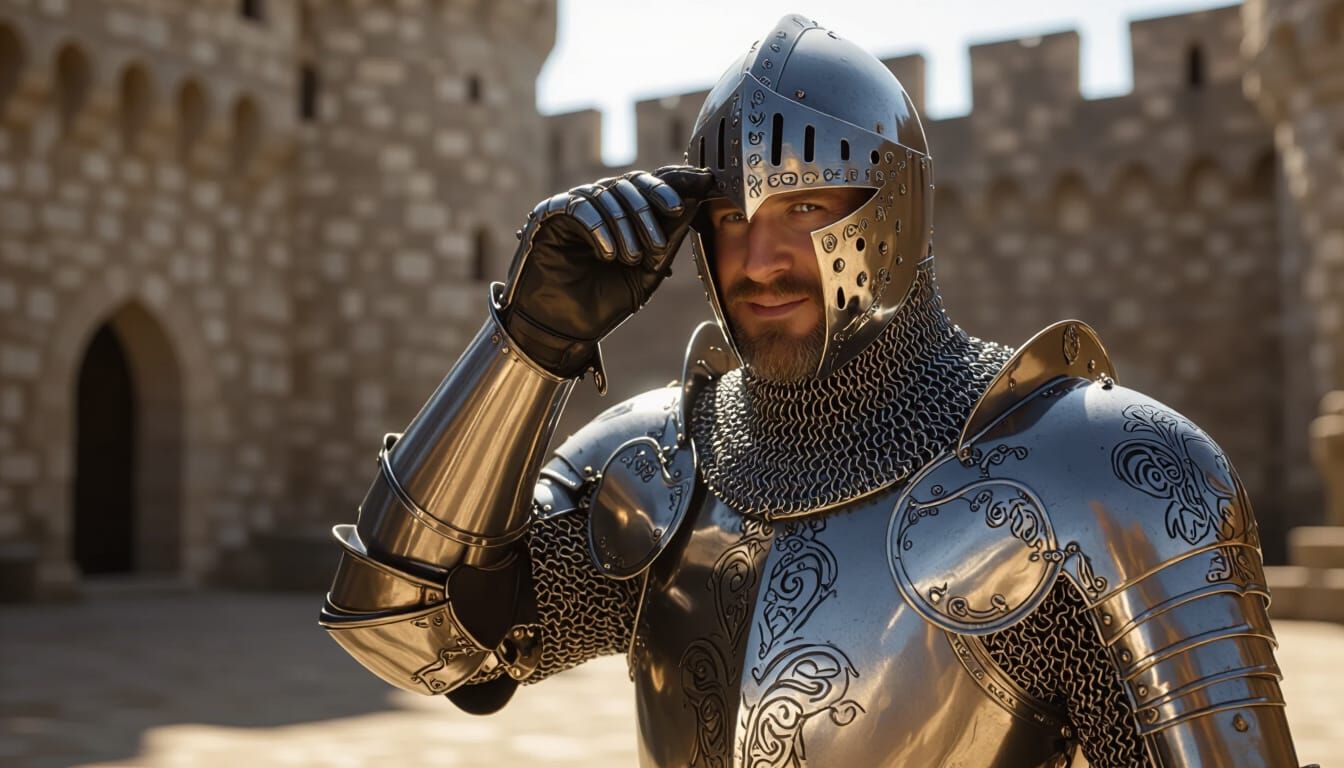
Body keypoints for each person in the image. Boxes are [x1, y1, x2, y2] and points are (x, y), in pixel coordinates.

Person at [319, 14, 1311, 767]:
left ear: (896, 208)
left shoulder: (1110, 476)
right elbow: (409, 630)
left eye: (808, 206)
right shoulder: (660, 471)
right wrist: (529, 340)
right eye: (729, 221)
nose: (762, 260)